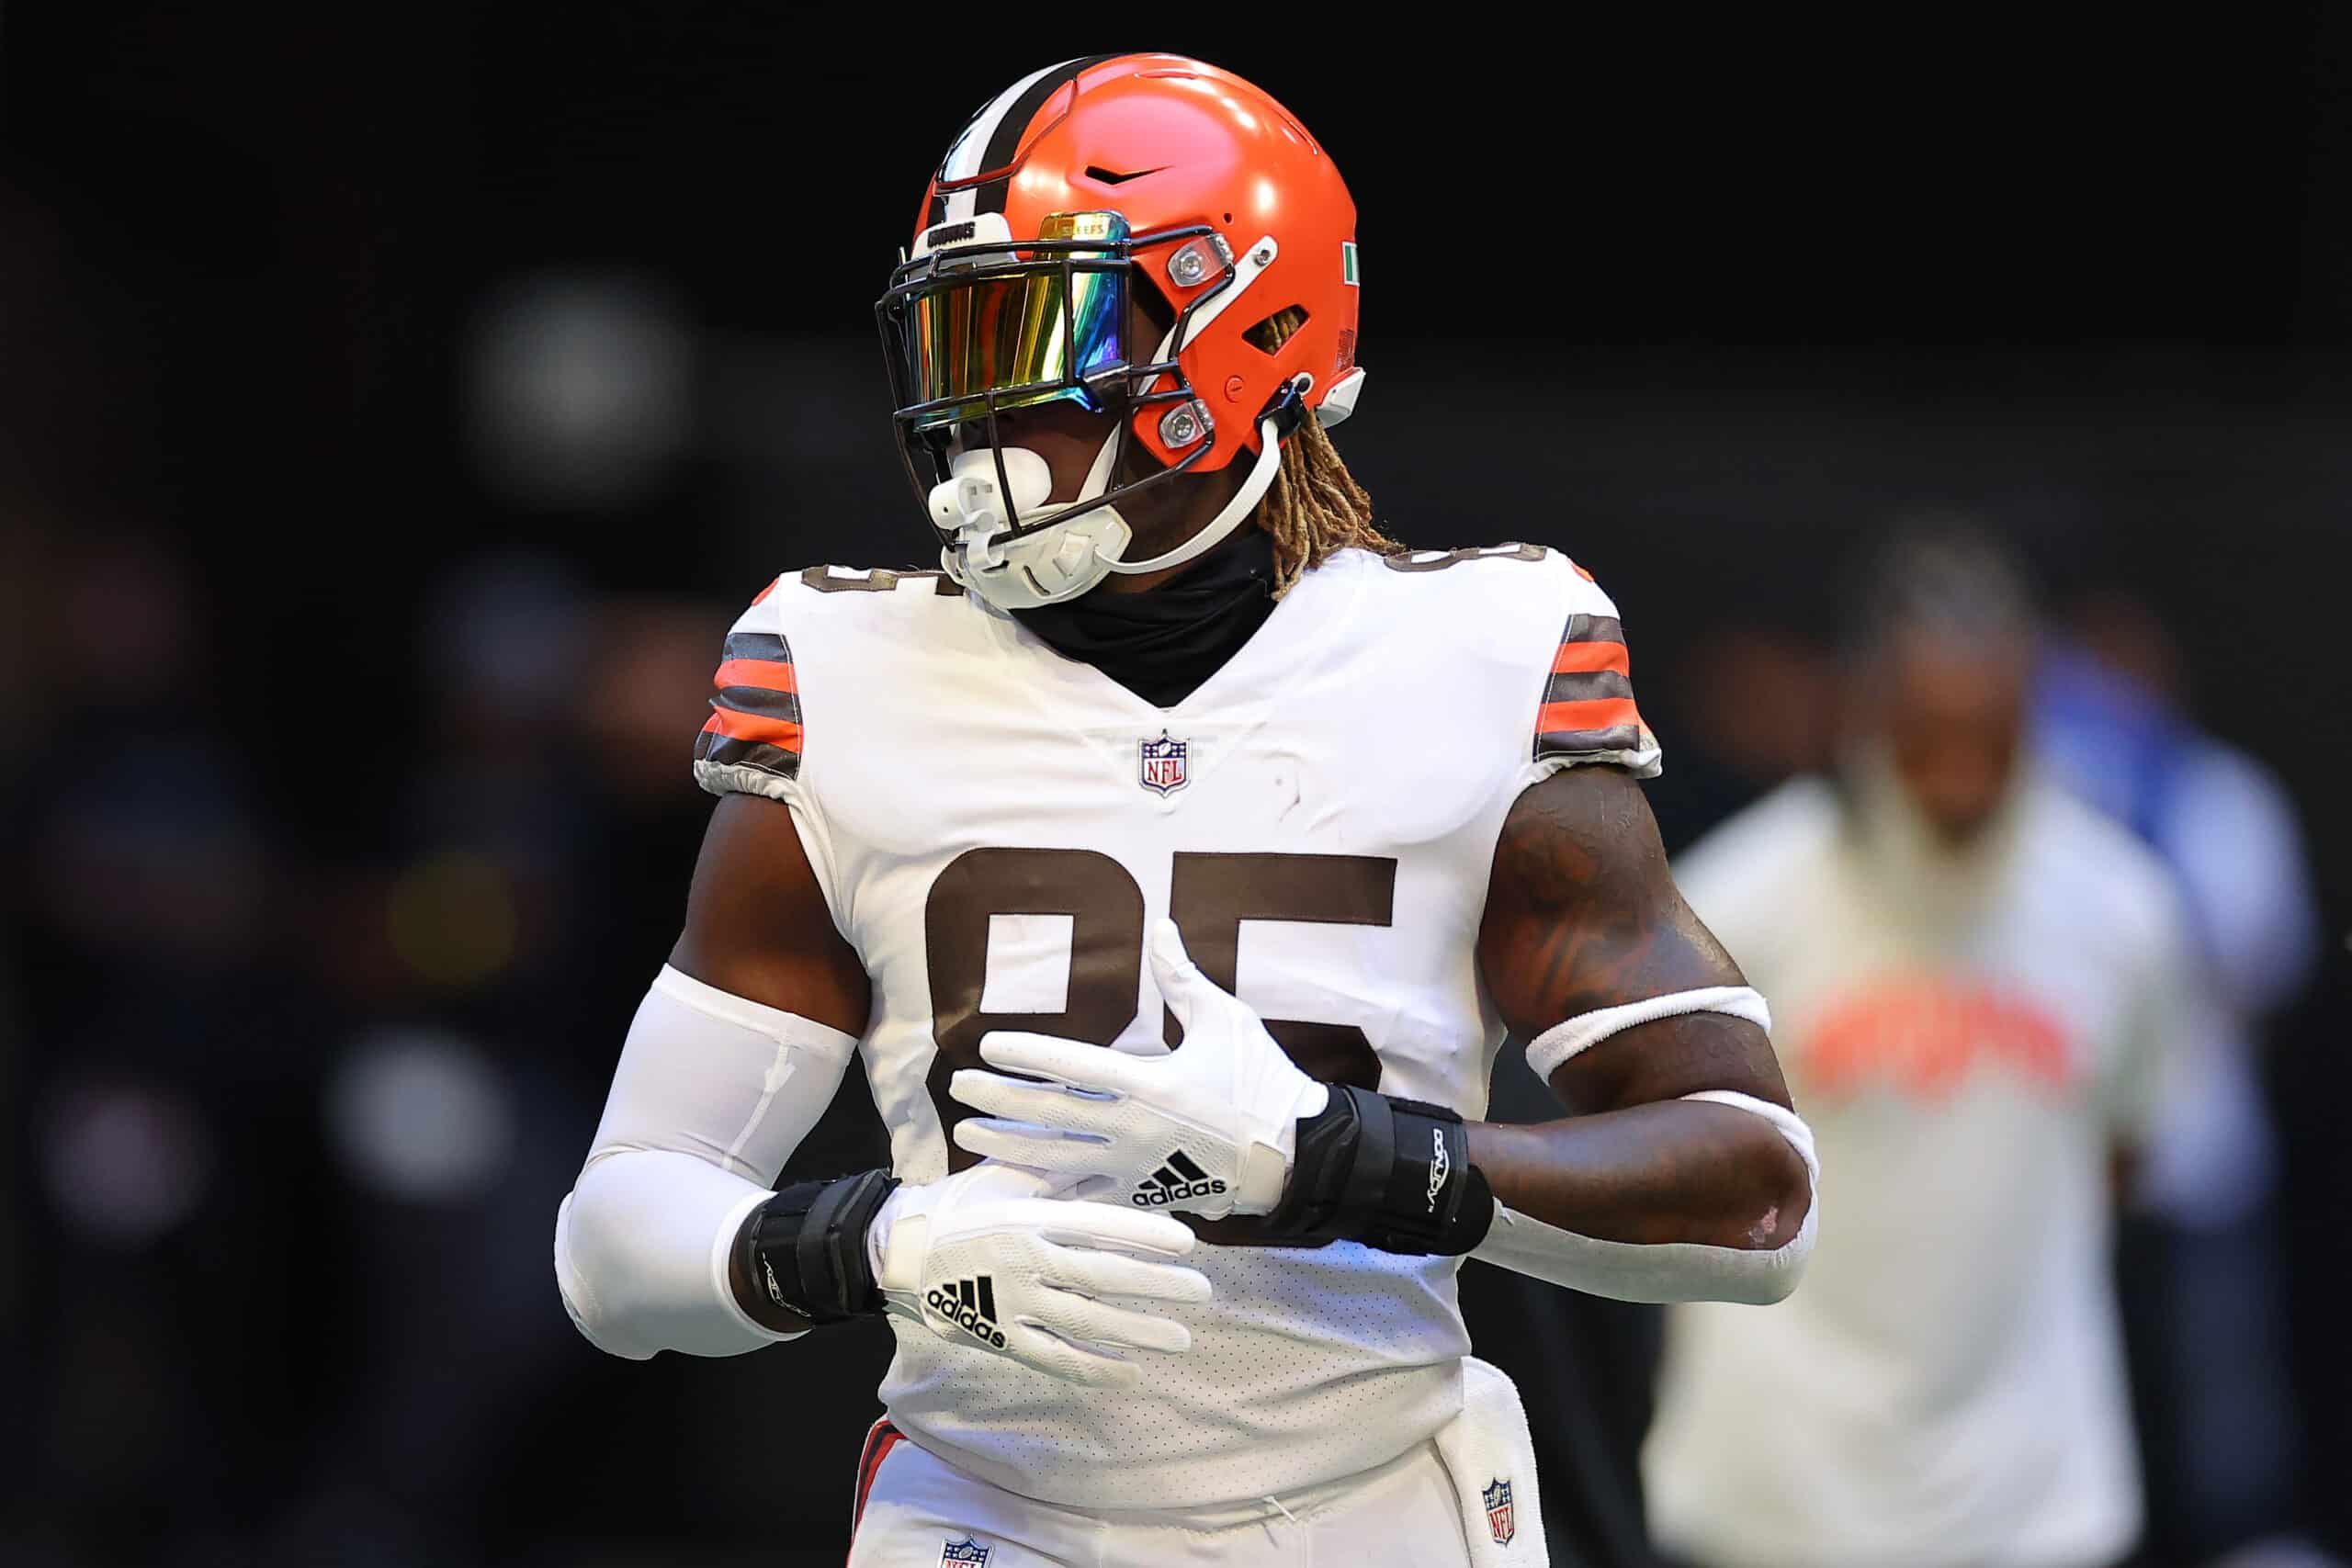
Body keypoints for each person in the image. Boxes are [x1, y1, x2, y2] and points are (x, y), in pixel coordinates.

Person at [554, 54, 1816, 1566]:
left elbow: (1753, 1196)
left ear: (1248, 332)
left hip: (1378, 1503)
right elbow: (615, 1237)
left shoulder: (1475, 653)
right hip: (993, 1516)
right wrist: (879, 1244)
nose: (975, 414)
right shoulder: (845, 670)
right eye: (956, 338)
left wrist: (1337, 1153)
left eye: (1036, 332)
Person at [1643, 528, 2191, 1568]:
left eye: (1987, 739)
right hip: (1778, 1486)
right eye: (1925, 738)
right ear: (1863, 715)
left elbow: (2126, 1154)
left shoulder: (2122, 915)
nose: (1956, 779)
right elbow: (1668, 1166)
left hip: (2033, 1492)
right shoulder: (1737, 904)